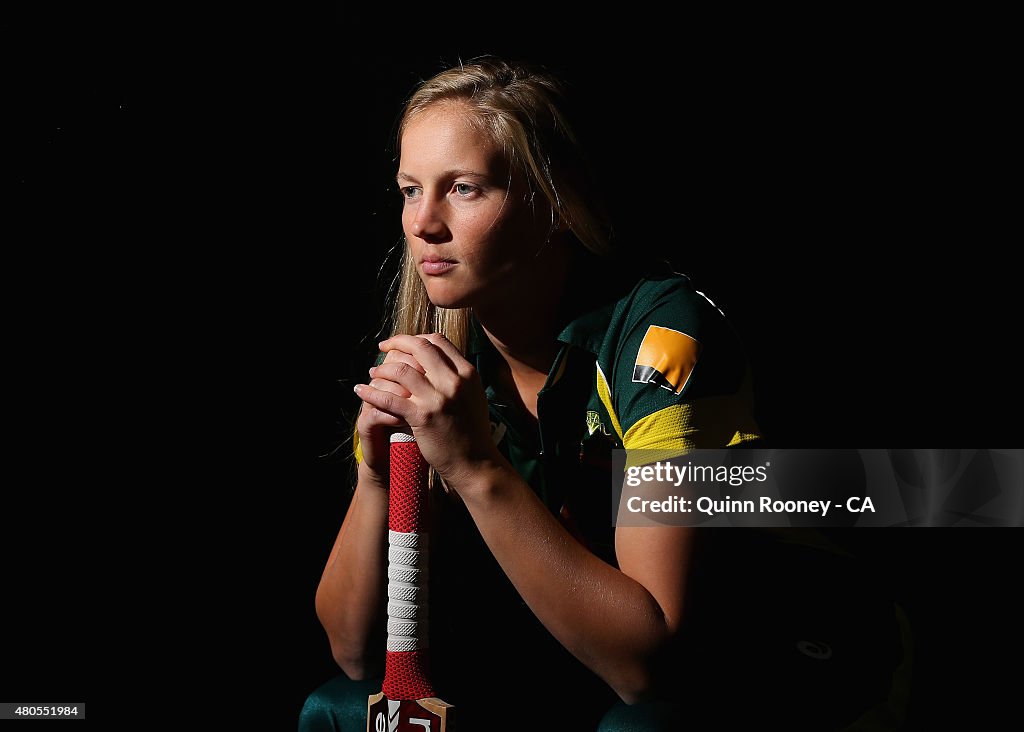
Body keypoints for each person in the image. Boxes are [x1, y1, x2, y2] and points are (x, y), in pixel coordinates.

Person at [300, 58, 910, 731]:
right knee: (337, 709)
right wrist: (376, 479)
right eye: (411, 190)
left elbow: (646, 666)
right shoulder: (440, 345)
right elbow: (356, 655)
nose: (424, 224)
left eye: (466, 189)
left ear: (556, 201)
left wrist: (475, 467)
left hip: (786, 635)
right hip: (584, 648)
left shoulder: (664, 338)